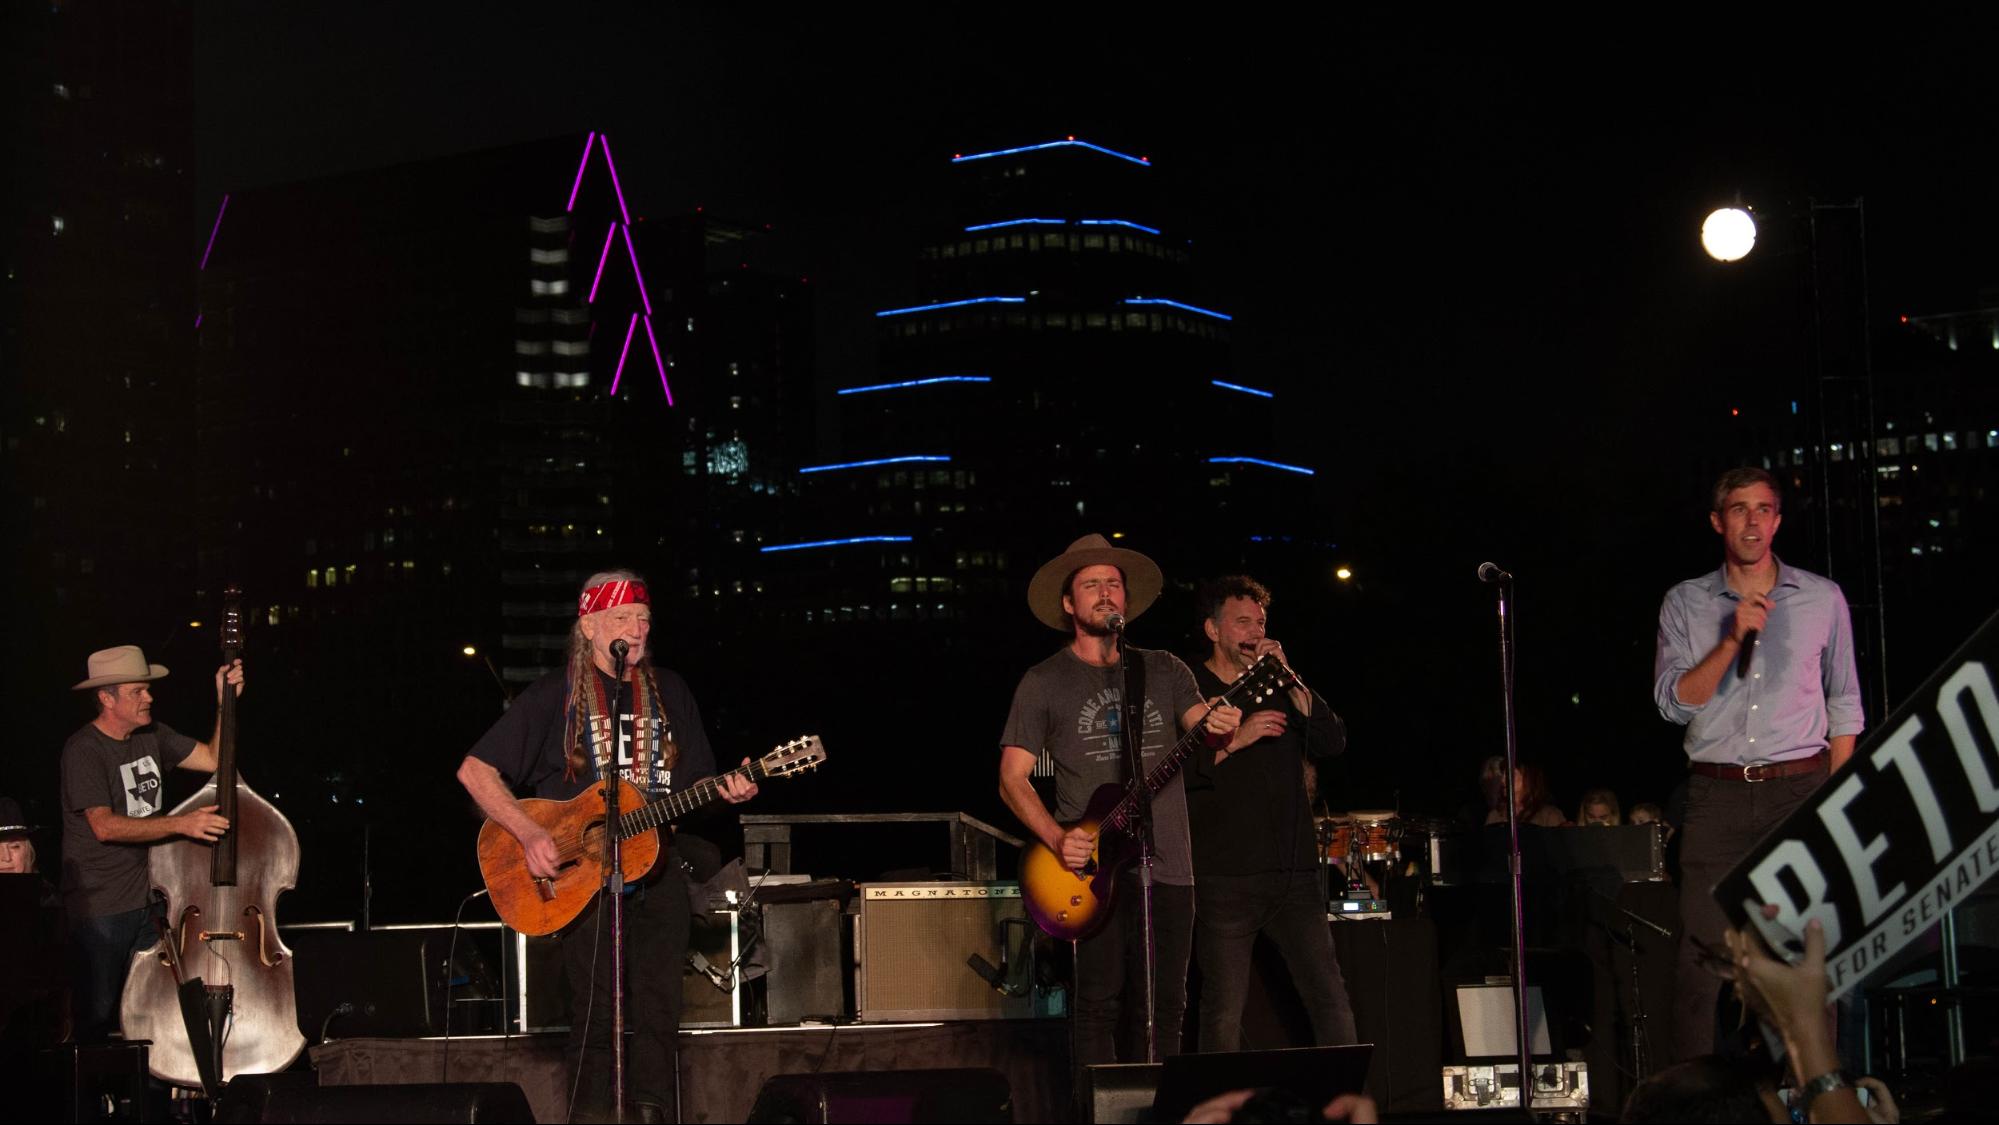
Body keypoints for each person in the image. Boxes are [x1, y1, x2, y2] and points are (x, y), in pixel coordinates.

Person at [456, 569, 756, 1122]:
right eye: (623, 618)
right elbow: (476, 771)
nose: (637, 629)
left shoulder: (672, 691)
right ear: (590, 626)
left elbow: (697, 790)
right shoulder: (555, 696)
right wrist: (529, 832)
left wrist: (729, 790)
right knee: (596, 1019)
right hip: (583, 878)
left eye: (644, 619)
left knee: (660, 1016)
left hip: (661, 870)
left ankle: (652, 1116)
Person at [998, 535, 1239, 1073]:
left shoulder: (1165, 668)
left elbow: (1204, 728)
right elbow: (1012, 779)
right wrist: (1060, 838)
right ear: (1069, 604)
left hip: (1169, 864)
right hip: (1091, 871)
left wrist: (1222, 723)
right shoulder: (1044, 682)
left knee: (1164, 1008)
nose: (1105, 593)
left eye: (1113, 583)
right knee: (1097, 1005)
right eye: (1091, 585)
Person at [1653, 467, 1864, 1062]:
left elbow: (1845, 703)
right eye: (1739, 509)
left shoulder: (1821, 597)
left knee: (1803, 960)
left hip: (1798, 791)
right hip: (1716, 798)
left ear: (1777, 520)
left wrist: (1834, 799)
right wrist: (1729, 639)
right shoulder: (1686, 601)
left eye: (1764, 509)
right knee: (1700, 968)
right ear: (1718, 521)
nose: (1753, 520)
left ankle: (1814, 1097)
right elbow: (1671, 704)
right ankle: (1693, 1107)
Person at [1183, 575, 1358, 1052]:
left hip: (1294, 874)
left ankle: (1346, 1107)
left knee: (1330, 998)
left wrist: (1291, 677)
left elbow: (1331, 741)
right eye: (1242, 622)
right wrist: (1241, 734)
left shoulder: (1280, 683)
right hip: (1225, 877)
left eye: (1260, 623)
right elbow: (1181, 766)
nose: (1254, 632)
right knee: (1222, 1010)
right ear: (1213, 629)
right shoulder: (1191, 688)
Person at [59, 644, 242, 1040]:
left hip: (152, 901)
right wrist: (182, 824)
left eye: (147, 689)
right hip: (101, 907)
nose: (149, 697)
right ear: (106, 699)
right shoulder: (84, 750)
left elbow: (213, 759)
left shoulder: (153, 735)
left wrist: (224, 701)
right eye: (136, 692)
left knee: (152, 1015)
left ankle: (150, 1099)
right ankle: (88, 1102)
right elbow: (104, 827)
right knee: (97, 1016)